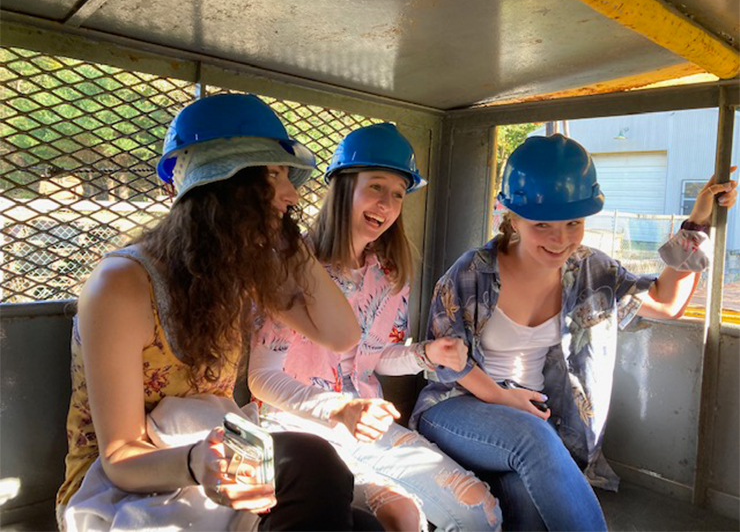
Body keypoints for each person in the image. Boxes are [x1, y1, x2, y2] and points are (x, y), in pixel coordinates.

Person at [56, 93, 381, 531]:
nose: (291, 194)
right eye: (273, 174)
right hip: (129, 482)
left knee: (364, 523)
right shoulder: (120, 284)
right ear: (222, 186)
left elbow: (342, 335)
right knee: (312, 459)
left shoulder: (240, 267)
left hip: (213, 444)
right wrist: (197, 464)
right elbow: (119, 458)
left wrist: (289, 242)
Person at [412, 133, 738, 531]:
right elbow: (447, 363)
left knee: (528, 512)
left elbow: (666, 300)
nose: (561, 239)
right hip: (457, 407)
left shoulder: (590, 269)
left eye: (574, 223)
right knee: (534, 438)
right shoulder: (472, 271)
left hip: (533, 427)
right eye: (543, 224)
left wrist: (698, 221)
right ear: (512, 217)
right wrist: (504, 398)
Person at [249, 123, 502, 532]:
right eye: (376, 187)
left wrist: (426, 355)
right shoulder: (290, 266)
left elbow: (375, 358)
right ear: (345, 187)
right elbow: (263, 379)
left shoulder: (387, 274)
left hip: (368, 425)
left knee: (482, 512)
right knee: (400, 517)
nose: (386, 204)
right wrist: (340, 410)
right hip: (298, 427)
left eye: (398, 194)